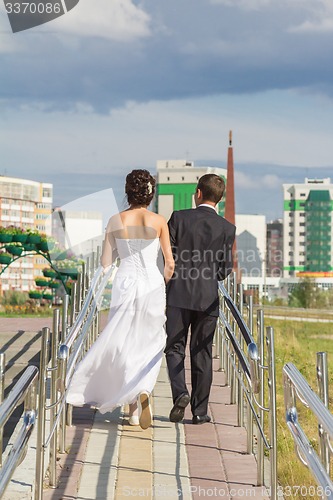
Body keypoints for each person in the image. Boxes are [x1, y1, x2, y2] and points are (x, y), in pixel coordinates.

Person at [67, 169, 174, 430]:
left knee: (123, 340)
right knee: (150, 341)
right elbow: (169, 263)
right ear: (150, 193)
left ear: (128, 192)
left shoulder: (115, 220)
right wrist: (164, 283)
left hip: (125, 282)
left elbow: (105, 262)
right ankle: (143, 390)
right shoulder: (159, 221)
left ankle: (132, 407)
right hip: (151, 284)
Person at [165, 174, 236, 425]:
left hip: (177, 294)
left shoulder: (178, 218)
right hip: (208, 298)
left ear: (197, 193)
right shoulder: (227, 229)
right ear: (219, 199)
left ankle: (180, 393)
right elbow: (224, 269)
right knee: (202, 352)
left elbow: (167, 258)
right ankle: (200, 411)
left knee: (174, 347)